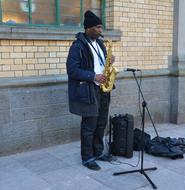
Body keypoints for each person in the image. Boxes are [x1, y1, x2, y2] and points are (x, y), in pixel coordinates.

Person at [66, 10, 115, 171]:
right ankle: (87, 158)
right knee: (89, 126)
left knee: (101, 123)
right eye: (98, 27)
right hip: (88, 89)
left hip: (103, 89)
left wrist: (110, 61)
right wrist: (93, 76)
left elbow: (102, 63)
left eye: (101, 27)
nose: (101, 30)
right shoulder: (78, 46)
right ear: (88, 28)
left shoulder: (100, 44)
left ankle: (98, 152)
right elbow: (72, 70)